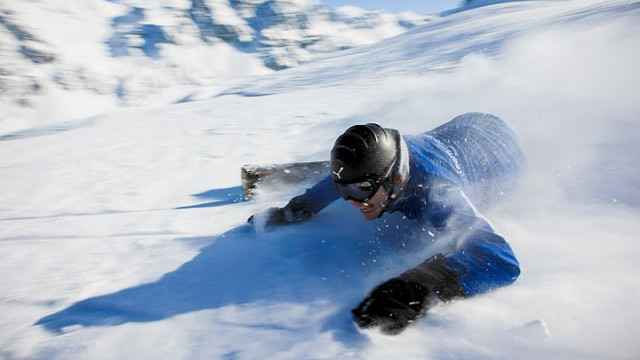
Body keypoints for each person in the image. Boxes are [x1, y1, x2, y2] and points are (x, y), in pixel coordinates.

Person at [248, 112, 523, 335]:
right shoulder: (378, 174)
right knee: (359, 172)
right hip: (465, 127)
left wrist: (414, 288)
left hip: (500, 149)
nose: (353, 202)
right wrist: (298, 209)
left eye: (361, 190)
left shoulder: (439, 194)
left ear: (396, 179)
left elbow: (501, 260)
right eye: (344, 190)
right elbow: (346, 183)